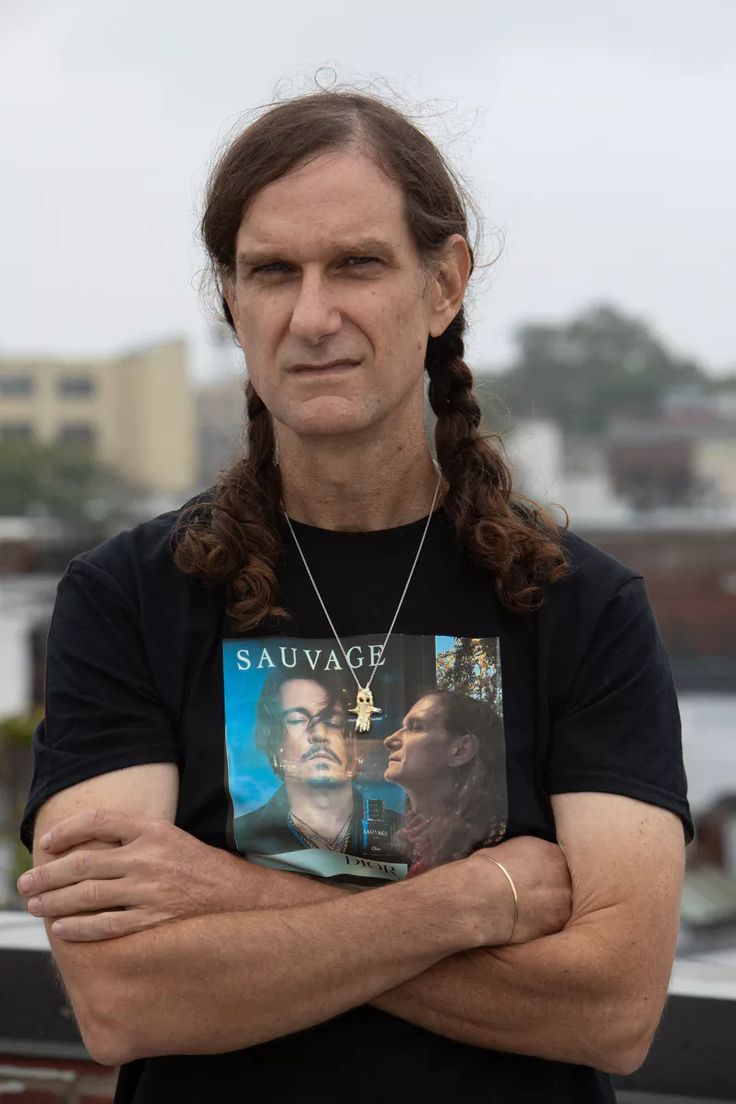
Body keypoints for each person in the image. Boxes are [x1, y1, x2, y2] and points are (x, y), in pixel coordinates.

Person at [17, 89, 690, 1104]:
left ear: (442, 284)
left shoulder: (576, 605)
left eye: (358, 265)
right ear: (230, 302)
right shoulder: (127, 598)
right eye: (272, 271)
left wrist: (229, 893)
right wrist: (470, 901)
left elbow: (611, 1008)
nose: (312, 315)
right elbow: (126, 999)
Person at [232, 665, 404, 866]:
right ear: (275, 741)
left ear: (353, 740)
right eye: (297, 720)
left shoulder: (402, 831)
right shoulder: (244, 835)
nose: (319, 734)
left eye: (332, 721)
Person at [384, 690, 506, 874]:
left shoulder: (491, 853)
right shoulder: (425, 845)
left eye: (415, 727)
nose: (389, 740)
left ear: (461, 750)